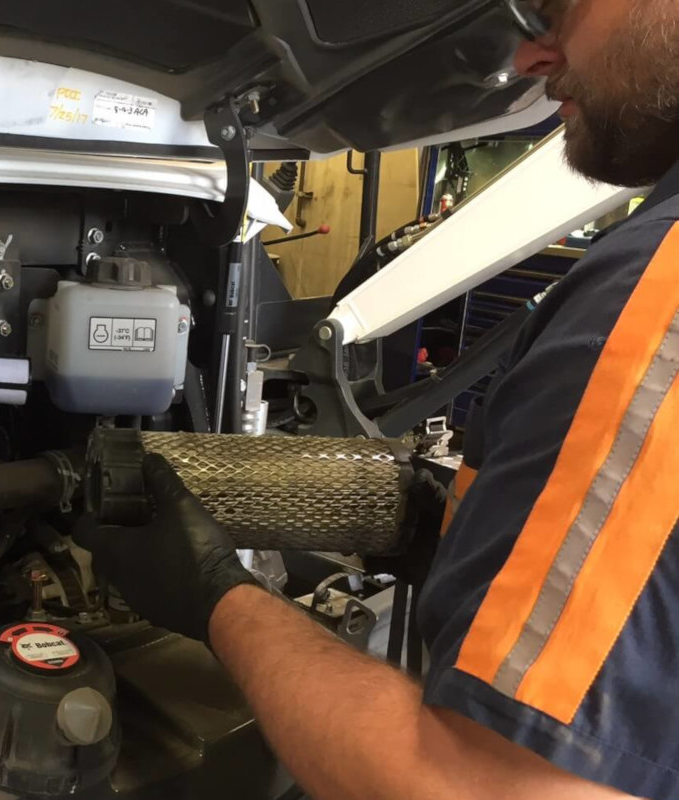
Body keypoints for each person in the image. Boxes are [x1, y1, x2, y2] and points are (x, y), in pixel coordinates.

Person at [77, 1, 679, 797]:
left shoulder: (659, 298)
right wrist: (459, 525)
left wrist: (216, 595)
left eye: (561, 6)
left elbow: (470, 786)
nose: (532, 58)